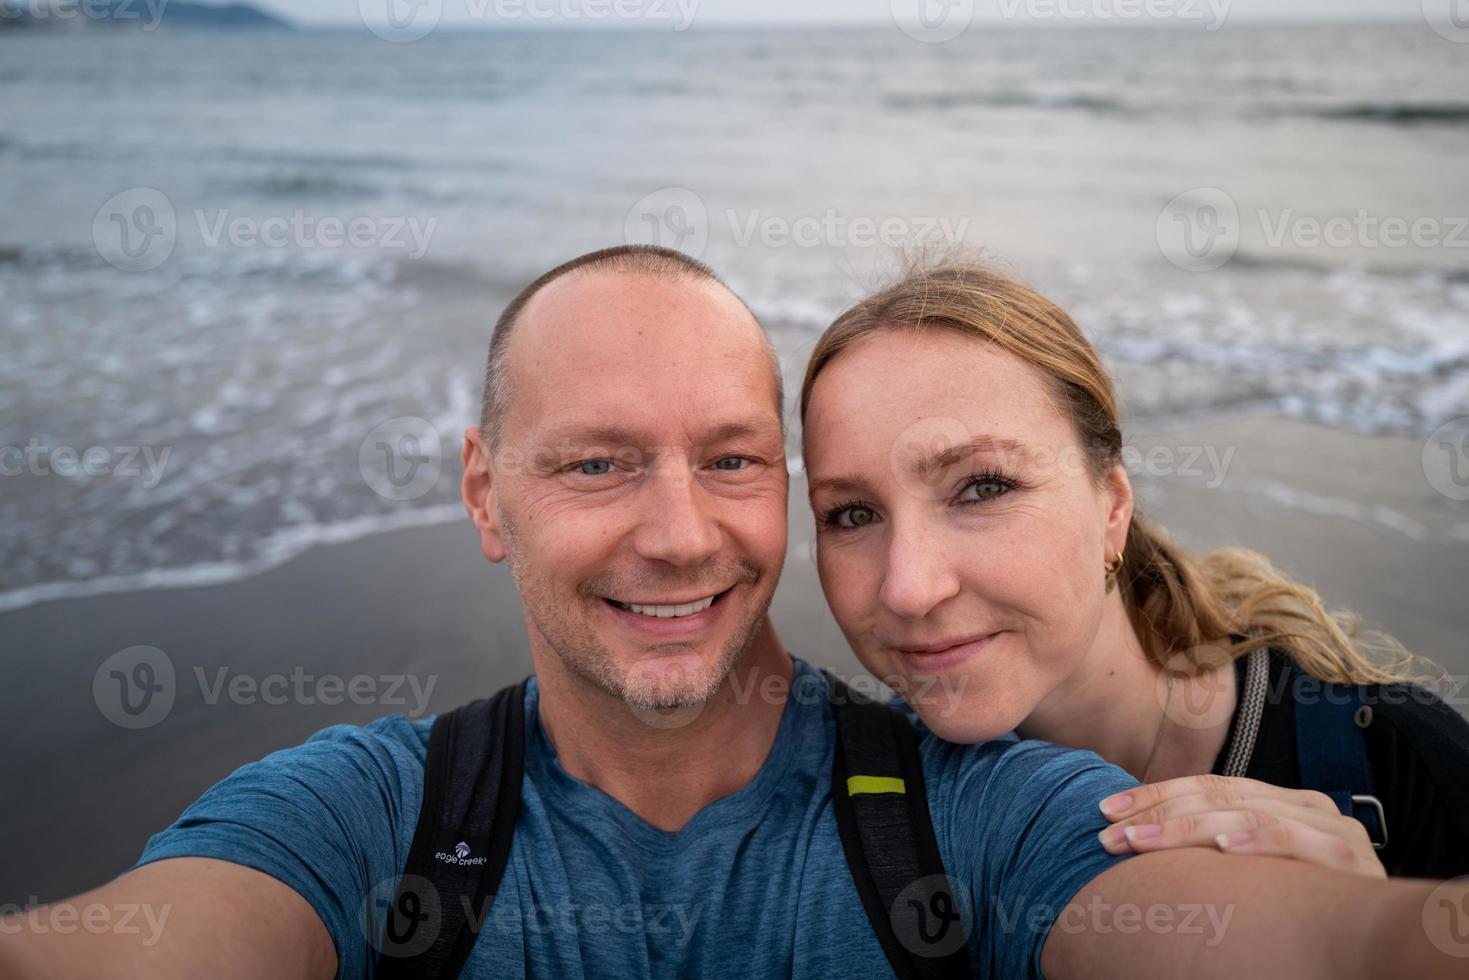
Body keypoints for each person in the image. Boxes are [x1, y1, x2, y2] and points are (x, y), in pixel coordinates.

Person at [3, 246, 1467, 980]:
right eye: (595, 462)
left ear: (1111, 505)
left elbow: (1341, 945)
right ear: (482, 492)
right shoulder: (370, 811)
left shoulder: (975, 804)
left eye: (728, 461)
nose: (678, 532)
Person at [800, 260, 1469, 882]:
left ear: (1112, 503)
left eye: (982, 488)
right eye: (852, 515)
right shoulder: (856, 804)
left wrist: (1374, 935)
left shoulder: (1399, 765)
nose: (908, 589)